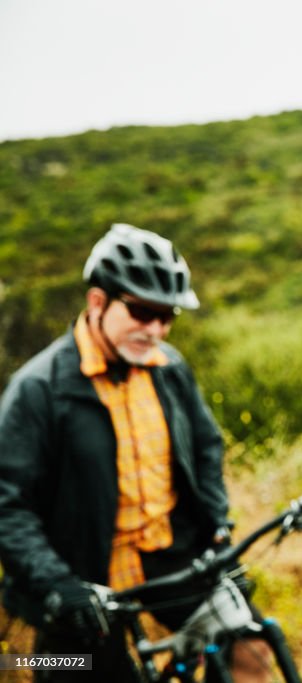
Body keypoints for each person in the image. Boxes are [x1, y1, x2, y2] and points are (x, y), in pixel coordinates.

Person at [0, 224, 272, 682]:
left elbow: (206, 447)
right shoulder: (38, 389)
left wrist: (217, 526)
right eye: (143, 312)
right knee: (68, 668)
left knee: (252, 648)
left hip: (169, 554)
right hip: (83, 574)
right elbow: (7, 504)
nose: (156, 330)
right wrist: (57, 586)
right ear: (97, 303)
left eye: (168, 317)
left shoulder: (168, 368)